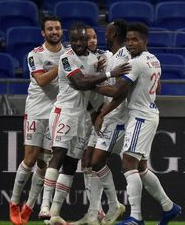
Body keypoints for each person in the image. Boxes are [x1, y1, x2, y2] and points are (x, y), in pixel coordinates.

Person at [40, 22, 130, 225]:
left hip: (83, 117)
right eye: (75, 40)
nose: (80, 43)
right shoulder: (66, 58)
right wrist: (108, 74)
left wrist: (99, 79)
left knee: (72, 163)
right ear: (70, 41)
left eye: (83, 39)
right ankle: (45, 206)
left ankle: (55, 213)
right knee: (59, 155)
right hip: (64, 112)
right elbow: (81, 83)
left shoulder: (95, 59)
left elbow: (91, 84)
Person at [93, 22, 181, 225]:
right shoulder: (154, 59)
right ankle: (169, 207)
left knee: (128, 164)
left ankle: (136, 218)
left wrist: (93, 87)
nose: (130, 44)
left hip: (140, 117)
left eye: (135, 40)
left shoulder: (136, 63)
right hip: (146, 114)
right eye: (128, 40)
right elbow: (157, 86)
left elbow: (117, 92)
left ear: (145, 41)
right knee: (140, 166)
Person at [8, 15, 66, 225]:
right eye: (50, 29)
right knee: (30, 159)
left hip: (56, 112)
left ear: (62, 31)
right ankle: (14, 202)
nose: (54, 32)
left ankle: (29, 206)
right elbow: (41, 80)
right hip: (35, 109)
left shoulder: (69, 53)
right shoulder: (35, 54)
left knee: (46, 162)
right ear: (43, 33)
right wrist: (62, 66)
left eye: (57, 28)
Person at [74, 20, 130, 225]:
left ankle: (116, 207)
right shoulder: (93, 60)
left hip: (115, 117)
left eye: (96, 36)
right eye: (89, 37)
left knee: (132, 166)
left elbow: (118, 91)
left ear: (112, 34)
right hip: (102, 116)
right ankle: (94, 213)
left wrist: (90, 84)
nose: (94, 39)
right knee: (91, 160)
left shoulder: (112, 57)